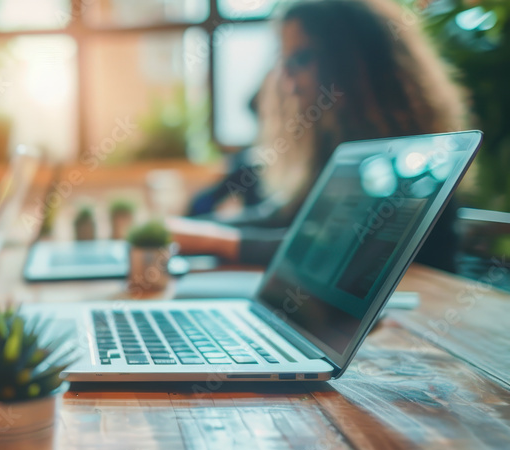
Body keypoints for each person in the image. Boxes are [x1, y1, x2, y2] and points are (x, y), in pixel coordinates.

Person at [169, 0, 468, 272]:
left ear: (355, 62)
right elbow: (286, 216)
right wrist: (187, 229)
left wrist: (212, 239)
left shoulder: (407, 159)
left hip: (418, 304)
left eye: (301, 59)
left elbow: (335, 250)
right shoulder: (334, 142)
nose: (287, 81)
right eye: (284, 62)